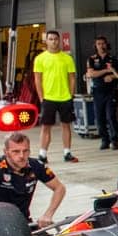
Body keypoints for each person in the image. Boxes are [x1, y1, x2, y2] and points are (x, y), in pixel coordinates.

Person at [0, 131, 66, 227]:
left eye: (25, 151)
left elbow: (59, 188)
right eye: (16, 151)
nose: (21, 156)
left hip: (23, 222)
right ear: (6, 152)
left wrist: (48, 215)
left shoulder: (36, 166)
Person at [33, 29, 78, 163]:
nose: (53, 41)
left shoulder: (67, 58)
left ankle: (67, 152)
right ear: (46, 41)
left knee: (66, 125)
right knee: (46, 126)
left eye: (56, 39)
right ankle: (42, 154)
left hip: (65, 97)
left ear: (60, 41)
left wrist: (71, 94)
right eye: (51, 39)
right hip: (49, 98)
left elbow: (72, 78)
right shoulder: (40, 58)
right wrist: (41, 97)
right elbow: (37, 79)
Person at [83, 34, 118, 150]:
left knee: (111, 116)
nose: (101, 46)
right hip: (97, 91)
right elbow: (91, 73)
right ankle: (104, 140)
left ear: (106, 44)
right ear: (95, 46)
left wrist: (112, 76)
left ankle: (114, 140)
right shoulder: (92, 59)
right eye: (98, 44)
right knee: (99, 117)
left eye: (103, 43)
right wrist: (106, 70)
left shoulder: (113, 58)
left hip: (111, 91)